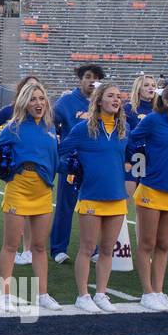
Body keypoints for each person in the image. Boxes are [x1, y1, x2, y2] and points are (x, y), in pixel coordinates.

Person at [126, 80, 168, 310]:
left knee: (164, 244)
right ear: (166, 101)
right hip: (151, 189)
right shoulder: (154, 120)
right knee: (147, 243)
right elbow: (131, 141)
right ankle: (147, 292)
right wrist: (141, 163)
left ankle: (158, 290)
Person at [60, 81, 128, 313]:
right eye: (111, 95)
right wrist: (72, 170)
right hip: (91, 196)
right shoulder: (83, 129)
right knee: (87, 248)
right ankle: (83, 295)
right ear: (99, 100)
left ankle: (101, 293)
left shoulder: (123, 130)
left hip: (117, 197)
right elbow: (59, 153)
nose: (116, 99)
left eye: (119, 96)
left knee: (107, 249)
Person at [0, 80, 60, 311]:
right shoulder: (13, 127)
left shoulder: (50, 127)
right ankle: (4, 295)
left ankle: (43, 294)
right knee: (11, 245)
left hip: (43, 189)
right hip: (19, 187)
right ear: (24, 102)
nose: (38, 103)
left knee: (39, 246)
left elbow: (55, 159)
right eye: (33, 99)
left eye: (41, 99)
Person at [49, 63, 104, 264]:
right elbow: (49, 122)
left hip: (96, 166)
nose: (92, 81)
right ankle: (58, 248)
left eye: (96, 77)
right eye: (88, 76)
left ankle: (94, 248)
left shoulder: (101, 102)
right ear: (80, 79)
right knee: (66, 206)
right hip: (72, 165)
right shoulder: (66, 102)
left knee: (94, 207)